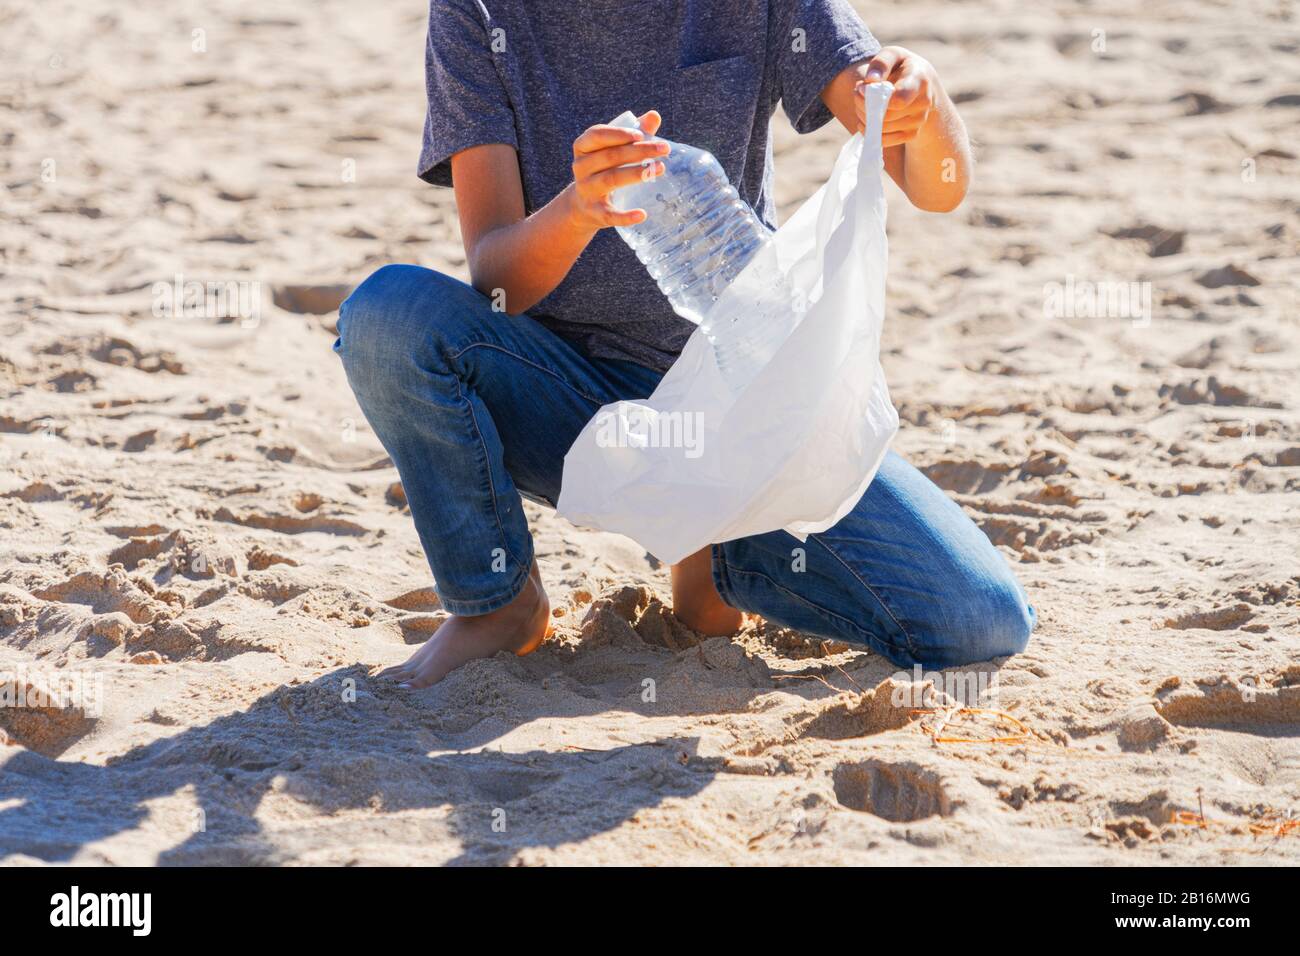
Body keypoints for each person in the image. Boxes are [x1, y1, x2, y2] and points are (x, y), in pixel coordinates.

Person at [334, 0, 1035, 688]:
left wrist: (925, 101)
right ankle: (500, 604)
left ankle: (717, 559)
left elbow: (933, 185)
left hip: (744, 413)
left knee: (978, 621)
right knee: (388, 317)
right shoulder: (474, 11)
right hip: (568, 406)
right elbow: (495, 280)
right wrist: (578, 211)